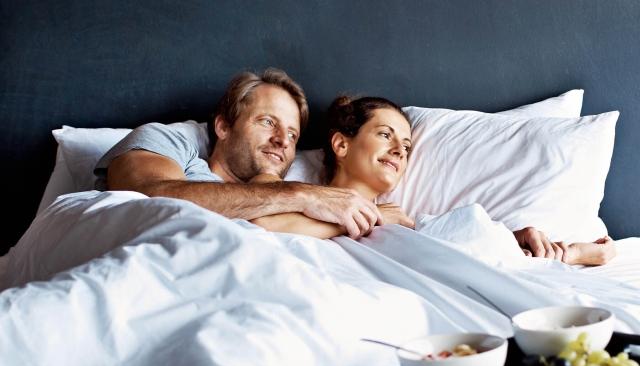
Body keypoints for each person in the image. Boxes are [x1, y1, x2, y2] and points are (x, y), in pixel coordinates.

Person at [251, 96, 616, 266]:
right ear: (341, 143)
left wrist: (516, 238)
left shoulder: (401, 218)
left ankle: (565, 255)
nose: (399, 150)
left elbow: (455, 252)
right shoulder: (295, 189)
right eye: (385, 135)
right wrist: (370, 220)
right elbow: (262, 224)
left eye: (406, 145)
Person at [94, 68, 382, 239]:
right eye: (268, 122)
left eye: (293, 135)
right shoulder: (168, 142)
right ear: (223, 126)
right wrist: (301, 195)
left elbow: (271, 225)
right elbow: (149, 198)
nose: (282, 141)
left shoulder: (278, 196)